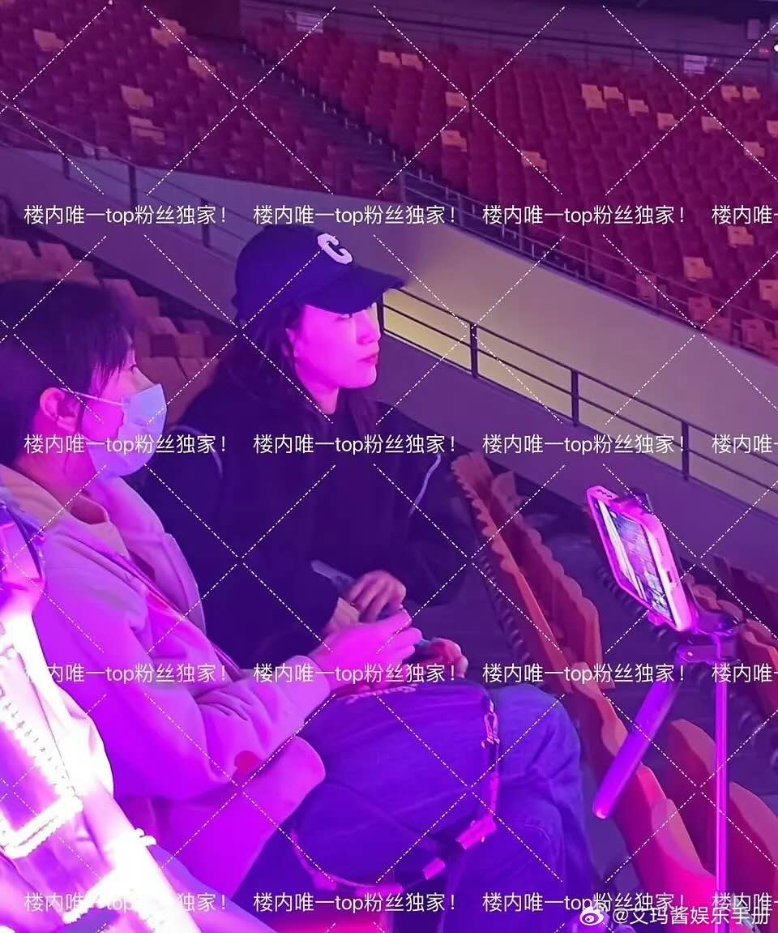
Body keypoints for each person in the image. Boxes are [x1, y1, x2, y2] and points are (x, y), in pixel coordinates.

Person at [0, 279, 593, 932]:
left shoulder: (104, 503)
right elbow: (187, 754)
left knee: (528, 818)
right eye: (125, 371)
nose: (146, 389)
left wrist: (352, 671)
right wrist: (323, 670)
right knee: (536, 725)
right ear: (61, 409)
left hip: (273, 752)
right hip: (233, 829)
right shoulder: (50, 570)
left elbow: (202, 669)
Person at [145, 225, 477, 667]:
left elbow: (450, 542)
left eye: (368, 309)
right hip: (261, 687)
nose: (371, 333)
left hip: (369, 667)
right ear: (285, 333)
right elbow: (179, 554)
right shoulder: (209, 438)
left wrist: (400, 576)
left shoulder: (393, 436)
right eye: (344, 317)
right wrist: (307, 600)